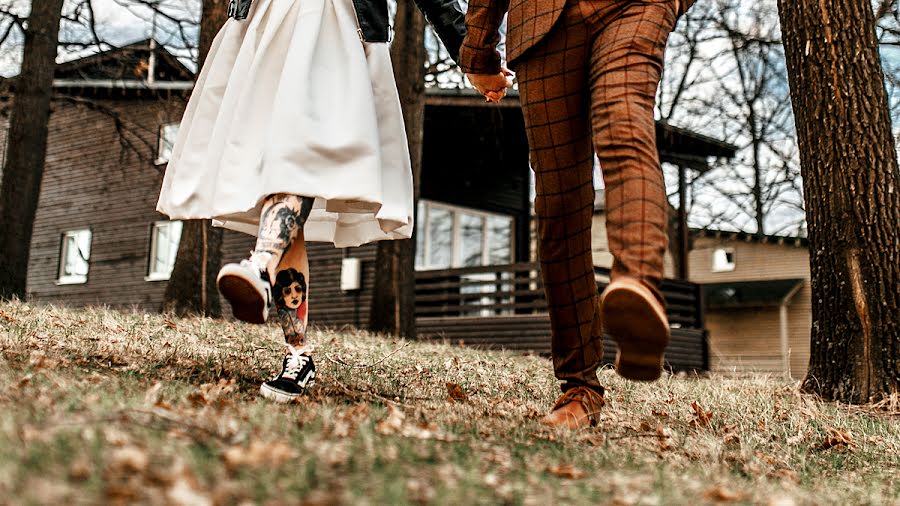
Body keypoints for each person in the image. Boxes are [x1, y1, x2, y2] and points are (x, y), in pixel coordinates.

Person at [157, 0, 469, 403]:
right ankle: (297, 353)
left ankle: (259, 266)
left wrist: (469, 49)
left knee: (295, 160)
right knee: (281, 180)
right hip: (266, 24)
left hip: (334, 28)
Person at [461, 0, 693, 428]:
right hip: (541, 24)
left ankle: (638, 287)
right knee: (558, 204)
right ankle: (579, 386)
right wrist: (479, 51)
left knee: (623, 121)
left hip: (634, 6)